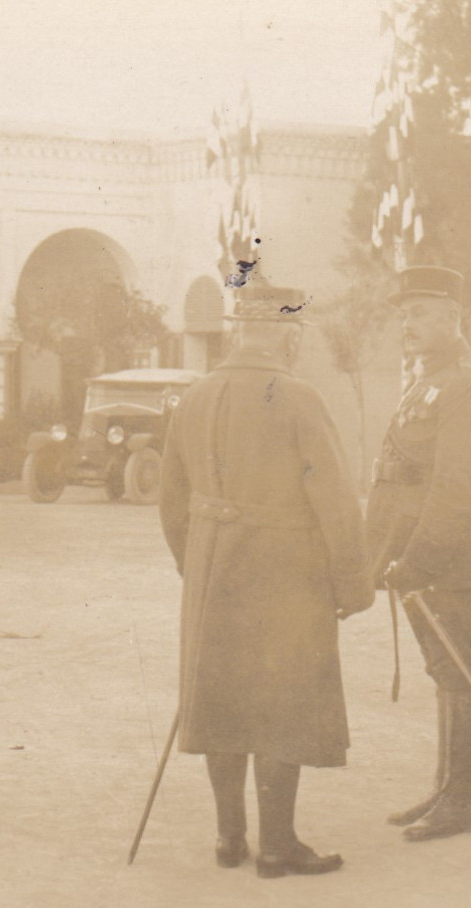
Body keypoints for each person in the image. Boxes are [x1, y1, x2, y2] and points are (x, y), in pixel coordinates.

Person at [159, 281, 372, 877]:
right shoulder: (298, 397)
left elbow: (170, 503)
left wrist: (195, 561)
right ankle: (276, 846)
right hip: (286, 575)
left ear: (237, 332)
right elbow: (335, 500)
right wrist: (352, 583)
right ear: (288, 334)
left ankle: (230, 839)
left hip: (211, 572)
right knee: (282, 703)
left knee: (221, 698)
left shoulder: (194, 397)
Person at [368, 265, 471, 842]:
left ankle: (461, 801)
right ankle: (446, 788)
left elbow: (455, 486)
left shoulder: (464, 383)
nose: (408, 325)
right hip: (418, 556)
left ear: (452, 316)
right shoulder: (431, 379)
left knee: (460, 676)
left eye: (420, 313)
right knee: (444, 675)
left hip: (444, 557)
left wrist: (418, 558)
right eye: (404, 315)